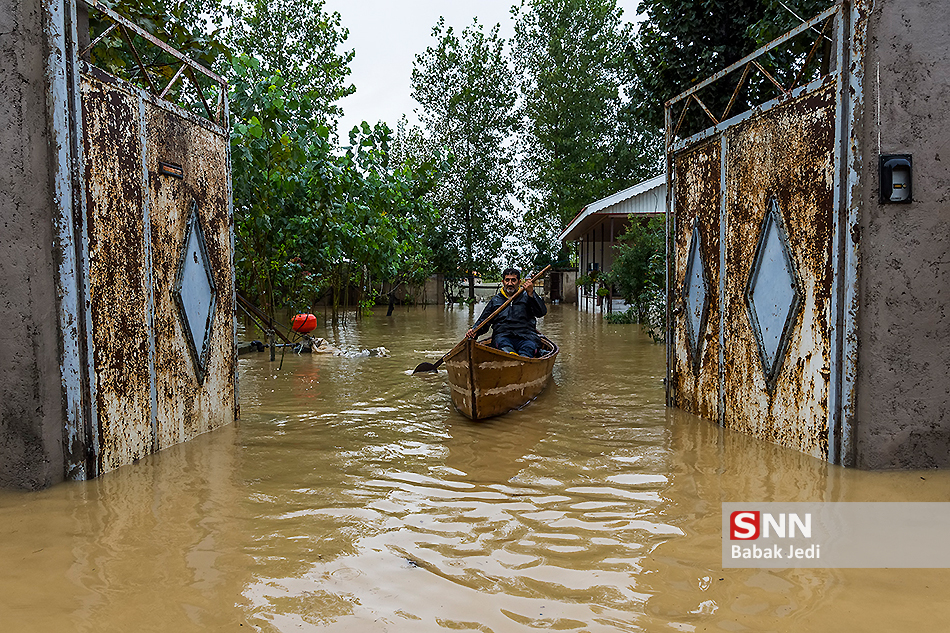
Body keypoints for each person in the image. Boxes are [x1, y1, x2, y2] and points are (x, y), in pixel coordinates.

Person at [465, 268, 547, 357]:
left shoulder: (528, 296)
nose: (510, 283)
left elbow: (541, 312)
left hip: (526, 336)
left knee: (528, 348)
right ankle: (511, 357)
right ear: (503, 282)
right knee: (504, 348)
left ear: (519, 282)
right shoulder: (495, 301)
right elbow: (484, 321)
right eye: (507, 280)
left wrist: (531, 294)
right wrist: (474, 331)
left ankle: (524, 359)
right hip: (503, 337)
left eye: (513, 280)